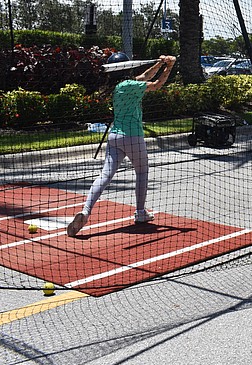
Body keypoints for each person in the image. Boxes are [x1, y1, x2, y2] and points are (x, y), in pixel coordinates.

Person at [67, 53, 177, 237]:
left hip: (115, 137)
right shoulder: (131, 85)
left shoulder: (118, 86)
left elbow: (145, 76)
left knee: (105, 175)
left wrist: (159, 63)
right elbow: (157, 84)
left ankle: (86, 211)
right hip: (132, 136)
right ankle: (140, 213)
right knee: (142, 172)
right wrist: (170, 66)